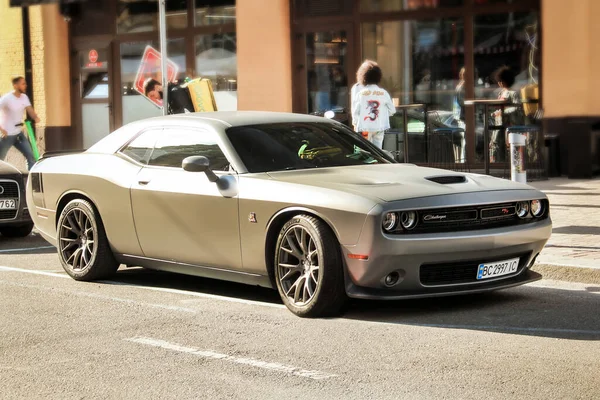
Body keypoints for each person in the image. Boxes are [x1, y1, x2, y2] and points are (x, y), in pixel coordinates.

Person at [351, 62, 395, 149]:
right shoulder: (384, 93)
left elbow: (356, 113)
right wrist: (383, 115)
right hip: (379, 127)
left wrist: (355, 123)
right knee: (378, 152)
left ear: (363, 76)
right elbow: (392, 110)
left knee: (363, 152)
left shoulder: (361, 94)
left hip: (364, 128)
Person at [0, 77, 40, 170]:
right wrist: (1, 129)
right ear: (15, 85)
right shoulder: (7, 98)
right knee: (0, 160)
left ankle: (31, 180)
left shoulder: (24, 97)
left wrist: (35, 117)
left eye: (25, 83)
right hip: (7, 135)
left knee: (30, 156)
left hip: (18, 133)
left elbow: (29, 109)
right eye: (23, 84)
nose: (25, 85)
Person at [489, 66, 522, 163]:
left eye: (501, 81)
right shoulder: (501, 93)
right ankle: (498, 162)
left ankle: (503, 163)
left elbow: (518, 107)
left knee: (504, 144)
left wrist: (504, 112)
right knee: (496, 143)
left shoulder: (513, 93)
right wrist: (495, 113)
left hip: (508, 124)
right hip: (498, 123)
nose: (499, 83)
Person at [350, 60, 377, 131]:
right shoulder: (358, 87)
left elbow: (355, 106)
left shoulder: (357, 87)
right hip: (371, 123)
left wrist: (355, 123)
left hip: (365, 123)